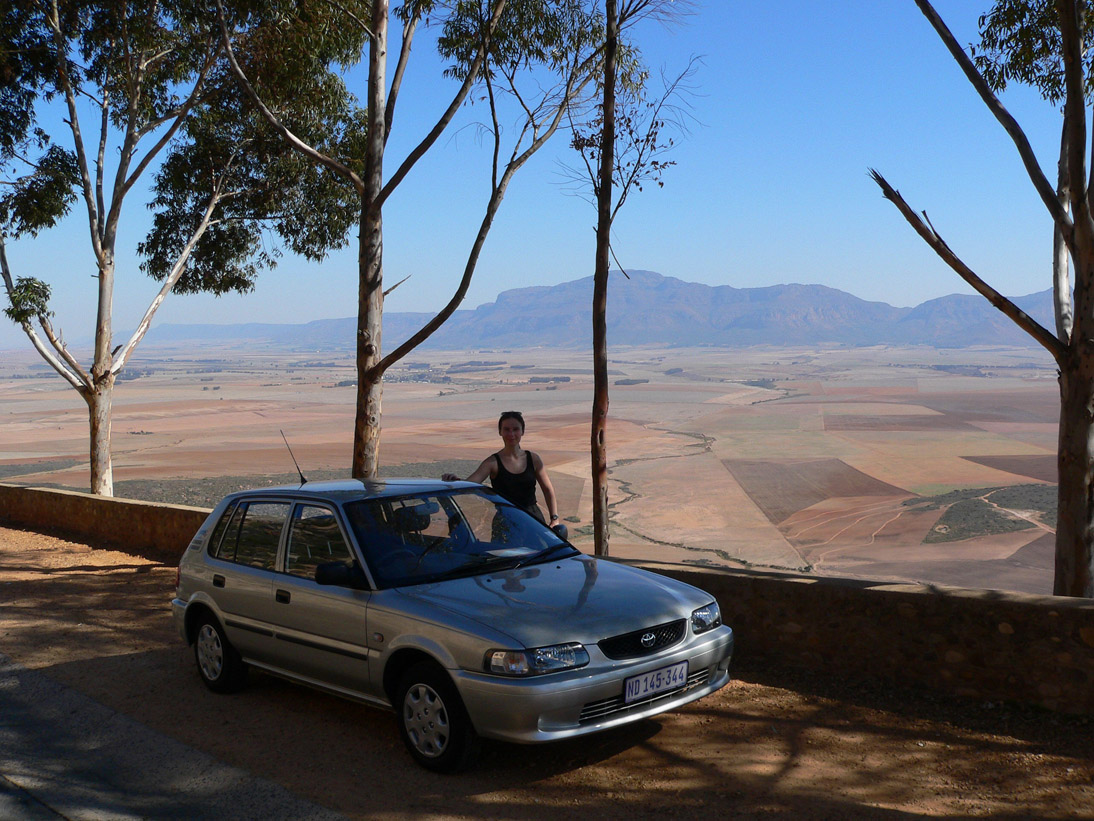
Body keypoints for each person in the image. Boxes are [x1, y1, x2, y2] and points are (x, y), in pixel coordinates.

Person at [442, 410, 560, 528]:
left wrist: (554, 518)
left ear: (522, 431)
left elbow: (548, 490)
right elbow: (469, 485)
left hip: (533, 521)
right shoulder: (492, 463)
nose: (511, 434)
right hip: (506, 523)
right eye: (506, 429)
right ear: (500, 432)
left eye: (515, 429)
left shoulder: (534, 459)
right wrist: (455, 481)